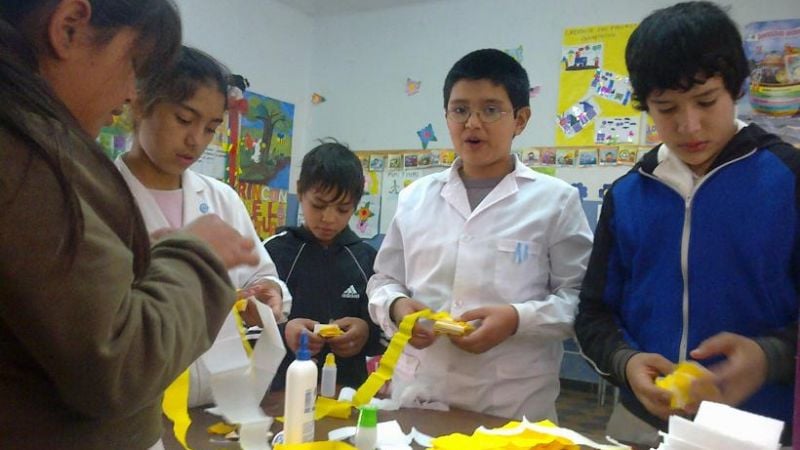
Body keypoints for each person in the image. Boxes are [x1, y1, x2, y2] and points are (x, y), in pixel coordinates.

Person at [0, 1, 261, 449]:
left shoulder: (43, 147)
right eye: (132, 65)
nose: (126, 93)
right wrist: (193, 258)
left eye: (211, 128)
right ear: (68, 28)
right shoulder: (27, 157)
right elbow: (115, 363)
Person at [574, 2, 798, 447]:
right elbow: (594, 313)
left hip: (760, 427)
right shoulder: (626, 195)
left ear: (735, 90)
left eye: (706, 101)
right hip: (640, 424)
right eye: (666, 107)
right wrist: (625, 361)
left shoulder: (788, 179)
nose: (689, 125)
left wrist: (769, 356)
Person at [367, 49, 594, 420]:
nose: (472, 123)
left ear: (520, 119)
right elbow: (384, 279)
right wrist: (395, 307)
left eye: (490, 110)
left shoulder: (556, 202)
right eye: (460, 110)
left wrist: (516, 319)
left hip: (511, 406)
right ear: (446, 116)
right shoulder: (414, 198)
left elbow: (580, 299)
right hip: (419, 397)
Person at [115, 45, 291, 407]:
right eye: (184, 119)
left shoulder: (221, 198)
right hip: (142, 405)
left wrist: (268, 294)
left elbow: (259, 275)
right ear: (140, 104)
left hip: (222, 399)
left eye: (211, 128)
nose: (196, 140)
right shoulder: (101, 196)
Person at [265, 141, 384, 390]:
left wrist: (365, 333)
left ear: (356, 205)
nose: (328, 219)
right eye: (318, 205)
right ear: (300, 192)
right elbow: (247, 327)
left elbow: (384, 331)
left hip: (348, 393)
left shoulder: (368, 260)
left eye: (342, 209)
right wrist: (285, 330)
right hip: (281, 391)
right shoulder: (273, 253)